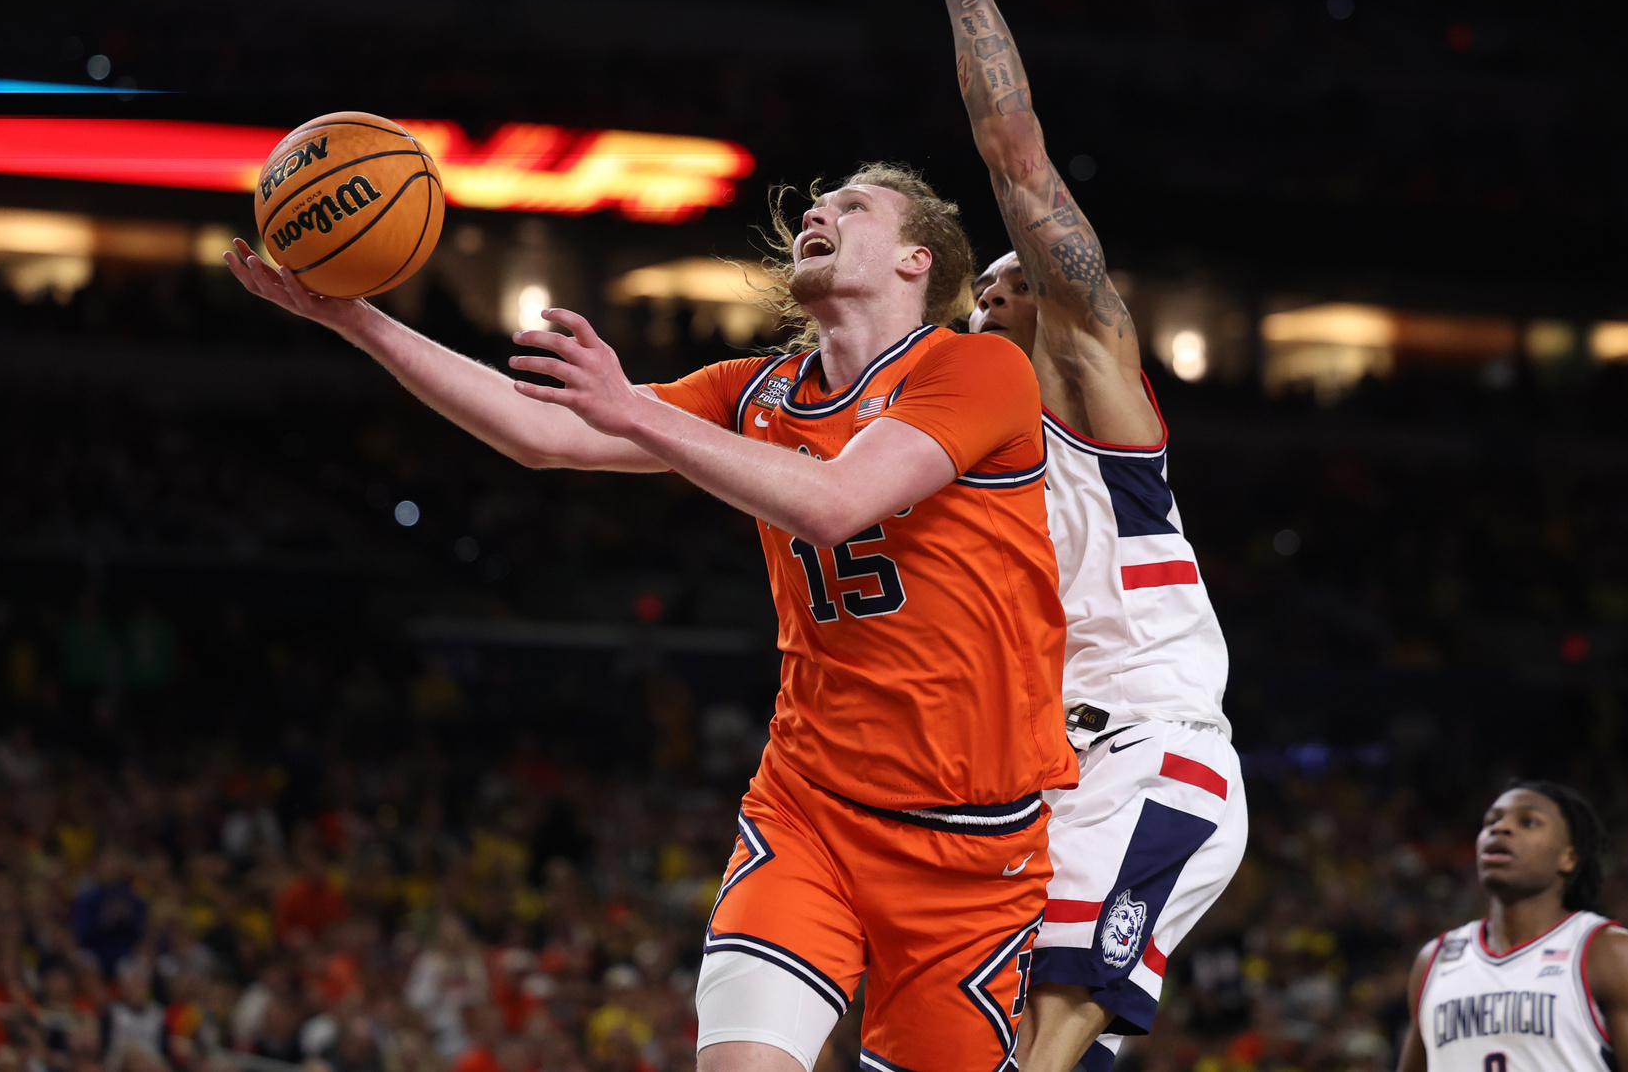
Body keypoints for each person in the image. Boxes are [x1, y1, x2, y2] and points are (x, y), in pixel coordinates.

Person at [224, 157, 1077, 1072]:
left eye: (852, 204)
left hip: (972, 844)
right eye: (817, 201)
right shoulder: (757, 392)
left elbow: (837, 501)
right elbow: (542, 433)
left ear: (918, 261)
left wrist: (637, 412)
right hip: (810, 811)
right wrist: (354, 317)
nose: (816, 209)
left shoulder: (980, 366)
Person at [868, 0, 1247, 1072]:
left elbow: (1014, 157)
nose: (991, 293)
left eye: (1010, 280)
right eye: (977, 288)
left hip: (1151, 741)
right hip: (1025, 773)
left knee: (1050, 1020)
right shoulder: (953, 425)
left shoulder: (1092, 376)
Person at [1397, 782, 1628, 1072]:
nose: (1501, 828)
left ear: (1568, 857)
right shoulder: (1436, 960)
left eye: (1528, 822)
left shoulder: (1607, 951)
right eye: (1491, 821)